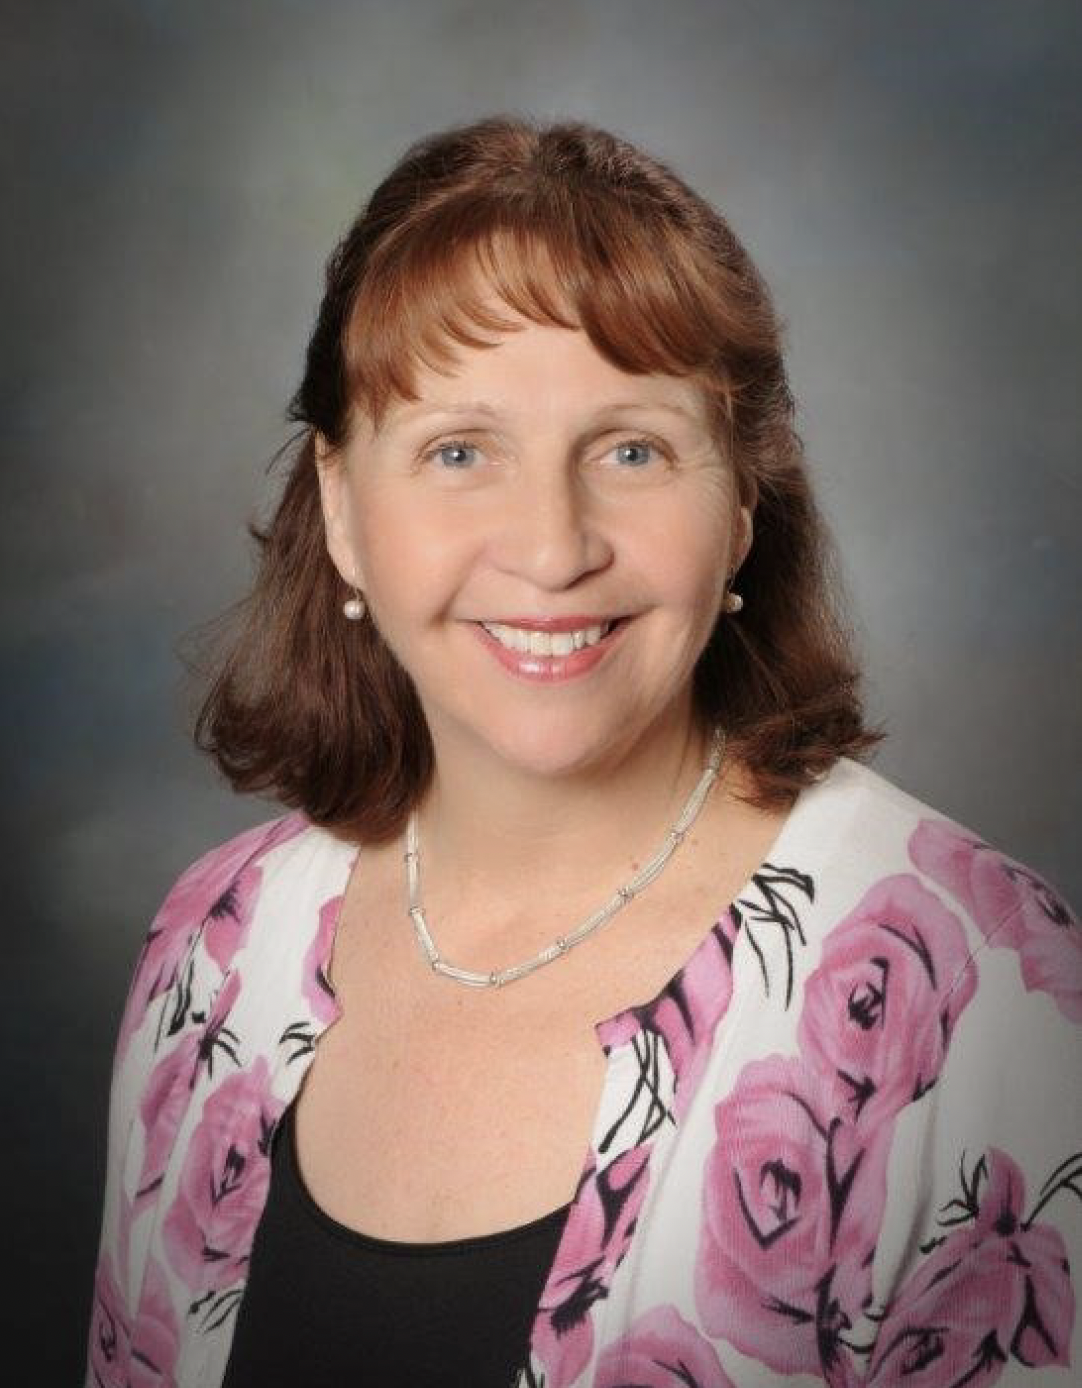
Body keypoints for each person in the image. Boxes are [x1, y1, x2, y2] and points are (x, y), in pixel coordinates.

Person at [84, 115, 1081, 1388]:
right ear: (339, 508)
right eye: (458, 450)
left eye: (631, 449)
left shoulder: (983, 993)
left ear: (740, 504)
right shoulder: (212, 949)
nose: (552, 548)